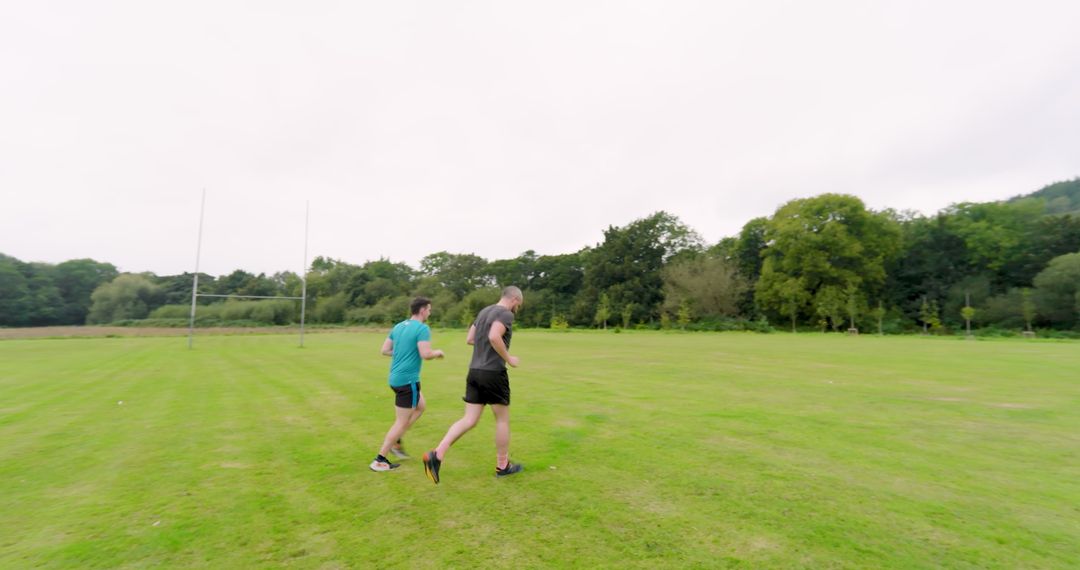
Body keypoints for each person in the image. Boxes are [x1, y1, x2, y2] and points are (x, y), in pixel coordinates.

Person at [423, 286, 524, 483]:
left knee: (469, 419)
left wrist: (486, 346)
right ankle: (503, 466)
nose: (516, 309)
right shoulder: (505, 314)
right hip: (493, 373)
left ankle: (437, 454)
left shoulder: (484, 312)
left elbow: (470, 339)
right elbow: (494, 336)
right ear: (514, 299)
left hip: (474, 372)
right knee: (502, 420)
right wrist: (509, 358)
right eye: (518, 305)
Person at [370, 296, 444, 472]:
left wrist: (403, 352)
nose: (429, 313)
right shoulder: (422, 328)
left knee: (420, 406)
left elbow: (385, 350)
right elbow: (426, 354)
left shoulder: (398, 326)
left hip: (395, 379)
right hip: (408, 381)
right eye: (429, 309)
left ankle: (396, 439)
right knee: (401, 422)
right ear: (422, 310)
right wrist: (438, 353)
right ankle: (380, 459)